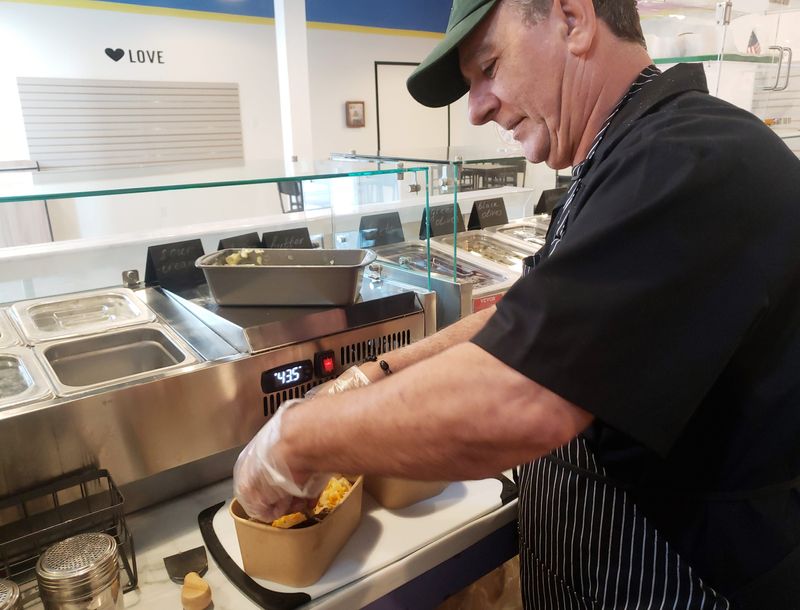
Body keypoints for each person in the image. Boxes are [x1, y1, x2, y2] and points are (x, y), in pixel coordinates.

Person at [234, 0, 800, 607]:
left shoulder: (692, 158)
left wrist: (296, 439)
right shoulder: (611, 164)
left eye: (489, 67)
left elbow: (522, 398)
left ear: (573, 20)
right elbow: (520, 327)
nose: (475, 109)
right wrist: (371, 374)